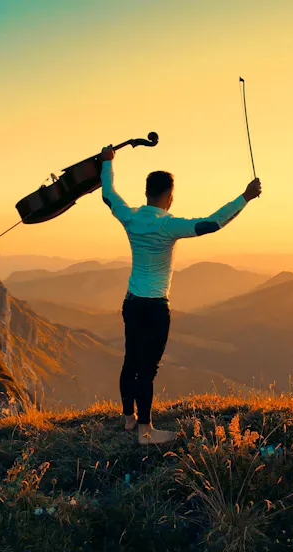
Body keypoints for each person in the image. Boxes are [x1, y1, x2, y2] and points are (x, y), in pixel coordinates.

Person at [99, 145, 261, 444]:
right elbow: (212, 223)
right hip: (156, 307)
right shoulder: (169, 225)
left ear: (147, 192)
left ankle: (127, 420)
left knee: (130, 360)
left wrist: (107, 162)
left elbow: (108, 194)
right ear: (169, 196)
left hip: (132, 302)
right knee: (148, 368)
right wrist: (245, 198)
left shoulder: (130, 218)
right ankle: (145, 432)